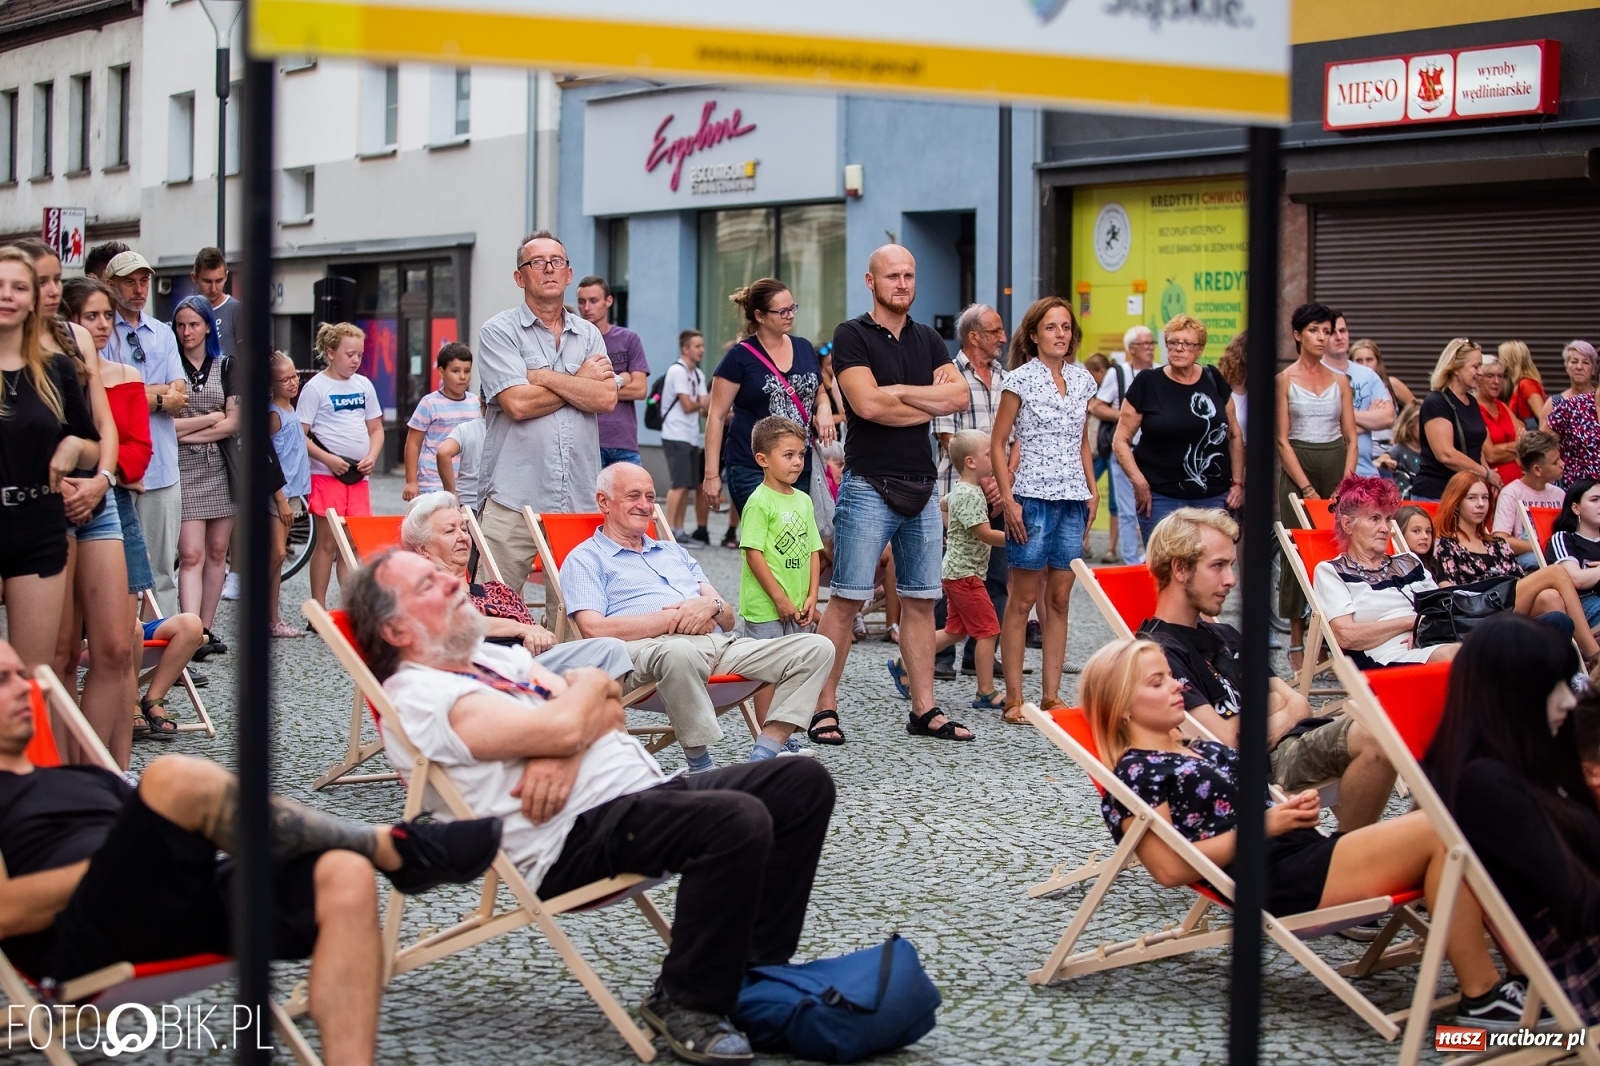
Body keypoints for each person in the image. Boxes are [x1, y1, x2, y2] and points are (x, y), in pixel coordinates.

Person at [351, 550, 836, 1066]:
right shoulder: (419, 694)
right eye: (427, 585)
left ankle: (749, 975)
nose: (452, 582)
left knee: (802, 782)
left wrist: (560, 744)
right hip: (570, 840)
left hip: (638, 799)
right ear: (397, 631)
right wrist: (563, 731)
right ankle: (687, 1001)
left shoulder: (490, 657)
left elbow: (605, 692)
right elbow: (572, 718)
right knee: (736, 820)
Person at [0, 637, 501, 1066]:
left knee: (341, 871)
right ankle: (392, 848)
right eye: (4, 680)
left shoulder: (81, 777)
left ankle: (375, 855)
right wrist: (129, 859)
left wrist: (152, 850)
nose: (26, 687)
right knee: (172, 777)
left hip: (173, 895)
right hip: (84, 936)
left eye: (22, 675)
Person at [1083, 636, 1541, 1031]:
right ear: (1121, 706)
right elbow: (1168, 868)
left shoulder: (1197, 746)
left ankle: (1531, 973)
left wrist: (1288, 807)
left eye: (1171, 675)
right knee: (1441, 829)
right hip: (1278, 877)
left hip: (1305, 853)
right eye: (1157, 681)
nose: (1178, 684)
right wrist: (1269, 824)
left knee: (1463, 820)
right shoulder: (1136, 772)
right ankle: (1484, 996)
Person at [1137, 508, 1397, 831]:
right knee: (1377, 738)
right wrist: (1277, 711)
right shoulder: (1157, 654)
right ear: (1179, 568)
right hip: (1260, 772)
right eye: (1218, 566)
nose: (1231, 580)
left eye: (1230, 565)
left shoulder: (1224, 635)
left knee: (1392, 727)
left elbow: (1299, 702)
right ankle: (1344, 856)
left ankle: (1353, 850)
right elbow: (1225, 743)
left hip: (1290, 743)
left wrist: (1264, 718)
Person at [561, 463, 835, 769]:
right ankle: (701, 765)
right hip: (647, 655)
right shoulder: (585, 558)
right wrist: (673, 619)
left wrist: (711, 607)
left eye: (650, 497)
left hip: (715, 646)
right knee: (678, 652)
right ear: (603, 502)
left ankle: (765, 753)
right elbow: (593, 629)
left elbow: (728, 617)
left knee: (817, 647)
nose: (645, 505)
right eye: (633, 496)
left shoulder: (672, 551)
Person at [810, 246, 970, 745]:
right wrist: (921, 398)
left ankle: (924, 710)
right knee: (847, 600)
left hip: (921, 488)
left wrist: (896, 392)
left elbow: (959, 397)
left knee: (921, 601)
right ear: (870, 280)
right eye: (892, 276)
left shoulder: (929, 339)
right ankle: (823, 707)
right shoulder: (851, 334)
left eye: (909, 275)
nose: (902, 283)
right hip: (867, 485)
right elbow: (865, 404)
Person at [1425, 615, 1600, 1025]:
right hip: (1573, 970)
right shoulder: (1486, 783)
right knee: (1455, 1038)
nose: (1569, 700)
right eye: (1554, 686)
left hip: (1576, 945)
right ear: (1516, 695)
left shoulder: (1524, 762)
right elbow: (1572, 899)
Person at [18, 241, 134, 768]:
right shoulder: (15, 345)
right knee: (60, 651)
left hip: (98, 493)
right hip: (49, 502)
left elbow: (102, 425)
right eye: (37, 281)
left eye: (50, 281)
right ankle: (61, 772)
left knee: (114, 646)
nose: (47, 290)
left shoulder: (75, 337)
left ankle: (96, 773)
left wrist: (103, 479)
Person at [477, 232, 616, 589]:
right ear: (520, 277)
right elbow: (518, 404)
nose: (549, 269)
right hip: (513, 496)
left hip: (579, 497)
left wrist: (540, 377)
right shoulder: (498, 332)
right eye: (537, 262)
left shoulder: (588, 335)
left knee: (576, 609)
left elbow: (605, 399)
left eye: (557, 262)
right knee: (494, 605)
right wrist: (578, 379)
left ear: (569, 275)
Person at [400, 490, 634, 680]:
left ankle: (595, 730)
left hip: (531, 665)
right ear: (422, 548)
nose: (462, 536)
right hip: (475, 672)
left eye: (463, 528)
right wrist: (520, 629)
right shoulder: (420, 592)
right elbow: (453, 624)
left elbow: (542, 636)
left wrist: (537, 635)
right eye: (450, 531)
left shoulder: (497, 591)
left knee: (611, 648)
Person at [992, 297, 1098, 714]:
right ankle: (1015, 698)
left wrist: (1092, 492)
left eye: (1066, 327)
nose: (1060, 334)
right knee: (1021, 598)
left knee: (1059, 598)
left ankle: (1051, 696)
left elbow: (1082, 441)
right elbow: (999, 444)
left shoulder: (1084, 379)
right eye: (1051, 327)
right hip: (1032, 497)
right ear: (1034, 335)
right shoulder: (1019, 379)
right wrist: (1009, 500)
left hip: (1073, 497)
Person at [0, 247, 101, 678]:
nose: (7, 295)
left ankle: (33, 750)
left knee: (33, 679)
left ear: (33, 297)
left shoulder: (56, 367)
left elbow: (92, 443)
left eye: (19, 287)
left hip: (39, 522)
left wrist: (74, 448)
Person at [702, 279, 835, 548]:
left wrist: (824, 409)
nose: (790, 316)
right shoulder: (739, 358)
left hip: (799, 465)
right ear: (760, 316)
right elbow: (716, 416)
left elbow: (819, 391)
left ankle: (796, 593)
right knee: (769, 546)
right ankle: (767, 593)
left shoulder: (804, 347)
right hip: (752, 465)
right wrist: (711, 475)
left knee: (796, 546)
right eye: (782, 311)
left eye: (792, 308)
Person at [1428, 471, 1600, 666]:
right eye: (1472, 498)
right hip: (1477, 611)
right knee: (1556, 572)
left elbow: (1518, 580)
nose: (1481, 504)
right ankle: (1594, 654)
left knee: (1550, 597)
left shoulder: (1498, 543)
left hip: (1507, 603)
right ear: (1456, 502)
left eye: (1485, 497)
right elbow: (1448, 591)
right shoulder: (1446, 544)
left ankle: (1560, 672)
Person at [893, 430, 1007, 717]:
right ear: (970, 461)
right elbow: (983, 533)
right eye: (986, 453)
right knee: (989, 630)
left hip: (958, 572)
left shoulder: (962, 490)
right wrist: (1015, 539)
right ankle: (985, 690)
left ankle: (905, 663)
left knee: (957, 631)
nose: (992, 456)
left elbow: (944, 505)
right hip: (966, 575)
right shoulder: (970, 495)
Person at [102, 250, 188, 616]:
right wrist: (156, 395)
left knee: (163, 570)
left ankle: (163, 661)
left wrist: (136, 396)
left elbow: (180, 395)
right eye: (129, 282)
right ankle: (120, 653)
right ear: (111, 285)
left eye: (143, 281)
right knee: (115, 570)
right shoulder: (102, 333)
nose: (139, 290)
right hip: (118, 466)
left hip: (163, 466)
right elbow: (105, 398)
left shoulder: (164, 333)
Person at [930, 303, 1011, 676]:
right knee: (956, 572)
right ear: (974, 336)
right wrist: (988, 479)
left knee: (993, 576)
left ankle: (980, 652)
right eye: (995, 332)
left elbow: (1015, 436)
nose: (1003, 338)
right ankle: (939, 657)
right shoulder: (949, 376)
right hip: (961, 488)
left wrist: (1003, 481)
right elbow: (948, 437)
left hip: (999, 490)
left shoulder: (1006, 378)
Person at [1275, 302, 1358, 670]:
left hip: (1337, 464)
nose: (1323, 338)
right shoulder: (1284, 380)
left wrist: (1346, 483)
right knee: (1297, 551)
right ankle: (1296, 638)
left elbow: (1352, 437)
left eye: (1328, 331)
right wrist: (1307, 488)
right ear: (1298, 334)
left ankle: (1328, 636)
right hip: (1298, 467)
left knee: (1336, 550)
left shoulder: (1341, 380)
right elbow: (1281, 440)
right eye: (1315, 331)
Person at [1112, 313, 1243, 541]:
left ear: (1200, 350)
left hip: (1214, 497)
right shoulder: (1148, 382)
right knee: (1166, 567)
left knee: (1210, 565)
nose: (1179, 348)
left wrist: (1238, 483)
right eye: (1173, 342)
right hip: (1162, 498)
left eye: (1187, 344)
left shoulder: (1213, 379)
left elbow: (1234, 434)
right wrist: (1139, 482)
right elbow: (1120, 440)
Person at [1312, 475, 1457, 667]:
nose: (1385, 528)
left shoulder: (1409, 561)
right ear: (1348, 525)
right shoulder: (1332, 572)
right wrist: (1410, 622)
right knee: (1462, 654)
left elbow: (1443, 609)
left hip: (1432, 643)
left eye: (1387, 519)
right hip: (1385, 658)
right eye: (1374, 518)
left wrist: (1425, 630)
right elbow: (1345, 636)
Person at [298, 322, 384, 610]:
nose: (356, 360)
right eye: (350, 354)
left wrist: (373, 454)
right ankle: (318, 608)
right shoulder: (316, 388)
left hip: (358, 477)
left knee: (354, 544)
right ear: (331, 353)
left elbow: (376, 428)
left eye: (359, 354)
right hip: (327, 475)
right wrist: (327, 460)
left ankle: (351, 608)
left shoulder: (364, 385)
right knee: (328, 544)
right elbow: (301, 433)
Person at [171, 295, 238, 658]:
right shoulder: (171, 366)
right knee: (191, 553)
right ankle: (189, 627)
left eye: (193, 324)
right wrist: (210, 420)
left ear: (208, 326)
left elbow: (234, 422)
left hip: (222, 467)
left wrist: (188, 430)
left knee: (217, 551)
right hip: (182, 469)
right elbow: (166, 427)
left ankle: (205, 630)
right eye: (180, 325)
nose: (187, 332)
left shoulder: (228, 366)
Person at [1089, 325, 1155, 565]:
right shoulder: (1118, 374)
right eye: (1144, 344)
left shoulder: (1160, 372)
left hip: (1154, 453)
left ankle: (1152, 559)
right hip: (1125, 451)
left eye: (1151, 343)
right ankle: (1131, 562)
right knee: (1128, 511)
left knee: (1155, 509)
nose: (1150, 348)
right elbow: (1097, 406)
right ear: (1131, 349)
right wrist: (1126, 417)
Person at [576, 275, 650, 468]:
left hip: (623, 440)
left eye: (594, 301)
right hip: (587, 440)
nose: (587, 307)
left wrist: (593, 390)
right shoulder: (574, 342)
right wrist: (621, 379)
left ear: (608, 301)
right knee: (590, 498)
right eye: (582, 302)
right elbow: (571, 391)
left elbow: (640, 390)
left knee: (632, 496)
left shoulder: (628, 339)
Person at [1414, 339, 1494, 503]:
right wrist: (1486, 473)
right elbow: (1446, 454)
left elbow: (1475, 449)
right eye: (1475, 366)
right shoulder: (1436, 402)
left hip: (1465, 494)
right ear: (1456, 368)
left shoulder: (1471, 402)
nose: (1480, 372)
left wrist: (1485, 476)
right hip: (1437, 494)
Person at [268, 351, 312, 637]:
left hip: (292, 492)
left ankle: (271, 618)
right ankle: (269, 618)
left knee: (279, 557)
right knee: (277, 554)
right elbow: (269, 458)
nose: (293, 382)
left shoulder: (290, 409)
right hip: (277, 493)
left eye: (295, 376)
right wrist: (281, 499)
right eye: (285, 379)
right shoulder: (274, 414)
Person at [402, 342, 478, 502]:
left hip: (466, 483)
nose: (462, 376)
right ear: (442, 372)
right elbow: (413, 443)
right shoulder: (429, 403)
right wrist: (411, 481)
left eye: (467, 371)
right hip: (432, 481)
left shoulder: (476, 403)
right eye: (456, 371)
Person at [1325, 314, 1393, 478]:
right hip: (1328, 472)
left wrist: (1343, 416)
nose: (1340, 337)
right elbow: (1322, 430)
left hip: (1366, 472)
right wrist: (1369, 420)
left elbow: (1388, 418)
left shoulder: (1368, 375)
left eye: (1343, 330)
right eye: (1333, 332)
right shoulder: (1316, 374)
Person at [661, 329, 711, 544]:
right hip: (675, 433)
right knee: (678, 485)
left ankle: (679, 529)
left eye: (702, 345)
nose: (701, 350)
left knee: (688, 486)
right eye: (697, 346)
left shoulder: (697, 374)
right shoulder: (677, 371)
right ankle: (668, 530)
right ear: (685, 349)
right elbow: (689, 405)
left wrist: (701, 403)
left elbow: (701, 407)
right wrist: (701, 402)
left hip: (690, 435)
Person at [1492, 430, 1565, 568]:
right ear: (1537, 469)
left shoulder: (1559, 494)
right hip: (1527, 558)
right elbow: (1500, 539)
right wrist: (1540, 546)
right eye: (1555, 462)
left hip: (1555, 554)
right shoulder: (1511, 493)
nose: (1562, 464)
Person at [1547, 479, 1600, 629]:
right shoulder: (1564, 538)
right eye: (1594, 500)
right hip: (1586, 600)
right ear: (1576, 508)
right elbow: (1576, 579)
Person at [1545, 341, 1600, 486]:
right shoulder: (1562, 404)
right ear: (1566, 366)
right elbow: (1543, 445)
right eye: (1574, 361)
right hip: (1573, 487)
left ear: (1594, 369)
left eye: (1586, 363)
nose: (1579, 367)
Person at [1476, 355, 1523, 489]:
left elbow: (1526, 443)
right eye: (1490, 376)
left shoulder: (1502, 407)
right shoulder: (1473, 409)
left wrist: (1506, 449)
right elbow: (1491, 455)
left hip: (1516, 485)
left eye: (1500, 376)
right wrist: (1517, 447)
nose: (1496, 381)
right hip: (1492, 486)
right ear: (1478, 378)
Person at [190, 247, 243, 363]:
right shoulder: (187, 313)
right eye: (207, 281)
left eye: (219, 281)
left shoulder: (237, 311)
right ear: (194, 278)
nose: (213, 289)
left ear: (226, 277)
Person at [435, 400, 485, 512]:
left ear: (481, 401)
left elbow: (443, 453)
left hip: (467, 503)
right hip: (503, 505)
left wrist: (451, 493)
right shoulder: (512, 427)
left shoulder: (467, 428)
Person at [1350, 337, 1415, 410]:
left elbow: (1416, 408)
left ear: (1377, 361)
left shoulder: (1392, 384)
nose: (1364, 365)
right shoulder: (1346, 388)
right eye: (1359, 361)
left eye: (1369, 360)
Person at [1374, 402, 1421, 497]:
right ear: (1409, 426)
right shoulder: (1400, 449)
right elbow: (1376, 463)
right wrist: (1386, 463)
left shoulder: (1431, 452)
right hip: (1403, 500)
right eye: (1421, 424)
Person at [1499, 339, 1547, 429]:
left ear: (1510, 360)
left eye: (1501, 358)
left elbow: (1543, 418)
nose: (1499, 361)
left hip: (1529, 440)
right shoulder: (1514, 384)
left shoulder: (1526, 384)